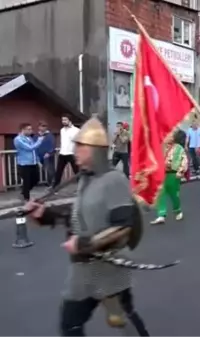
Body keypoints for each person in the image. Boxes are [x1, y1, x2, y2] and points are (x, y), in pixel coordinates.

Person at [23, 117, 151, 337]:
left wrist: (83, 243)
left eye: (81, 147)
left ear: (95, 150)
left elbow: (123, 228)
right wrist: (45, 215)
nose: (76, 151)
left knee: (121, 319)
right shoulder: (85, 179)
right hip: (83, 270)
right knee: (70, 324)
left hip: (109, 267)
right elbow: (81, 218)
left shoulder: (114, 180)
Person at [150, 132, 188, 225]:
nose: (168, 136)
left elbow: (184, 160)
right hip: (162, 173)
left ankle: (177, 210)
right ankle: (161, 215)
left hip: (173, 174)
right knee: (160, 193)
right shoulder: (161, 147)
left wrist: (181, 171)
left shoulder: (179, 148)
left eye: (170, 135)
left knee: (174, 195)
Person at [14, 123, 44, 200]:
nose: (31, 131)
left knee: (36, 179)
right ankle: (26, 198)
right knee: (27, 181)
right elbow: (30, 148)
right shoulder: (18, 139)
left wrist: (38, 161)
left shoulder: (29, 138)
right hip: (24, 164)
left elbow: (34, 151)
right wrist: (39, 141)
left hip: (33, 162)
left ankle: (24, 192)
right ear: (23, 130)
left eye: (31, 129)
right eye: (29, 129)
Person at [54, 116, 80, 187]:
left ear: (70, 120)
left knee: (77, 171)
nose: (63, 121)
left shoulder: (76, 130)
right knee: (59, 171)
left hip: (72, 153)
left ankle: (82, 186)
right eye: (62, 120)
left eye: (65, 120)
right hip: (63, 153)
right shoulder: (62, 130)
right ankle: (55, 187)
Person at [37, 122, 56, 187]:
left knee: (49, 170)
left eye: (44, 126)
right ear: (39, 127)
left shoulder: (50, 135)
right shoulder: (36, 135)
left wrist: (49, 153)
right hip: (39, 155)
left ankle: (51, 184)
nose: (43, 127)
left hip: (48, 155)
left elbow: (53, 145)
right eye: (42, 126)